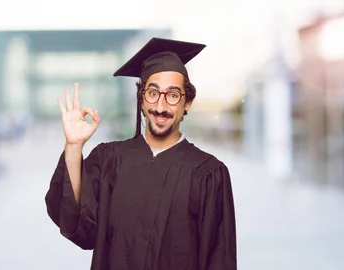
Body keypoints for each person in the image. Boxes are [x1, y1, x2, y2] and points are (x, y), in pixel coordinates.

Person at [45, 37, 237, 270]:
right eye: (153, 93)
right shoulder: (110, 159)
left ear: (187, 103)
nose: (160, 106)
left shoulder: (209, 173)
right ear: (141, 99)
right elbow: (78, 224)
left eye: (173, 95)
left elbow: (220, 259)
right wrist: (74, 146)